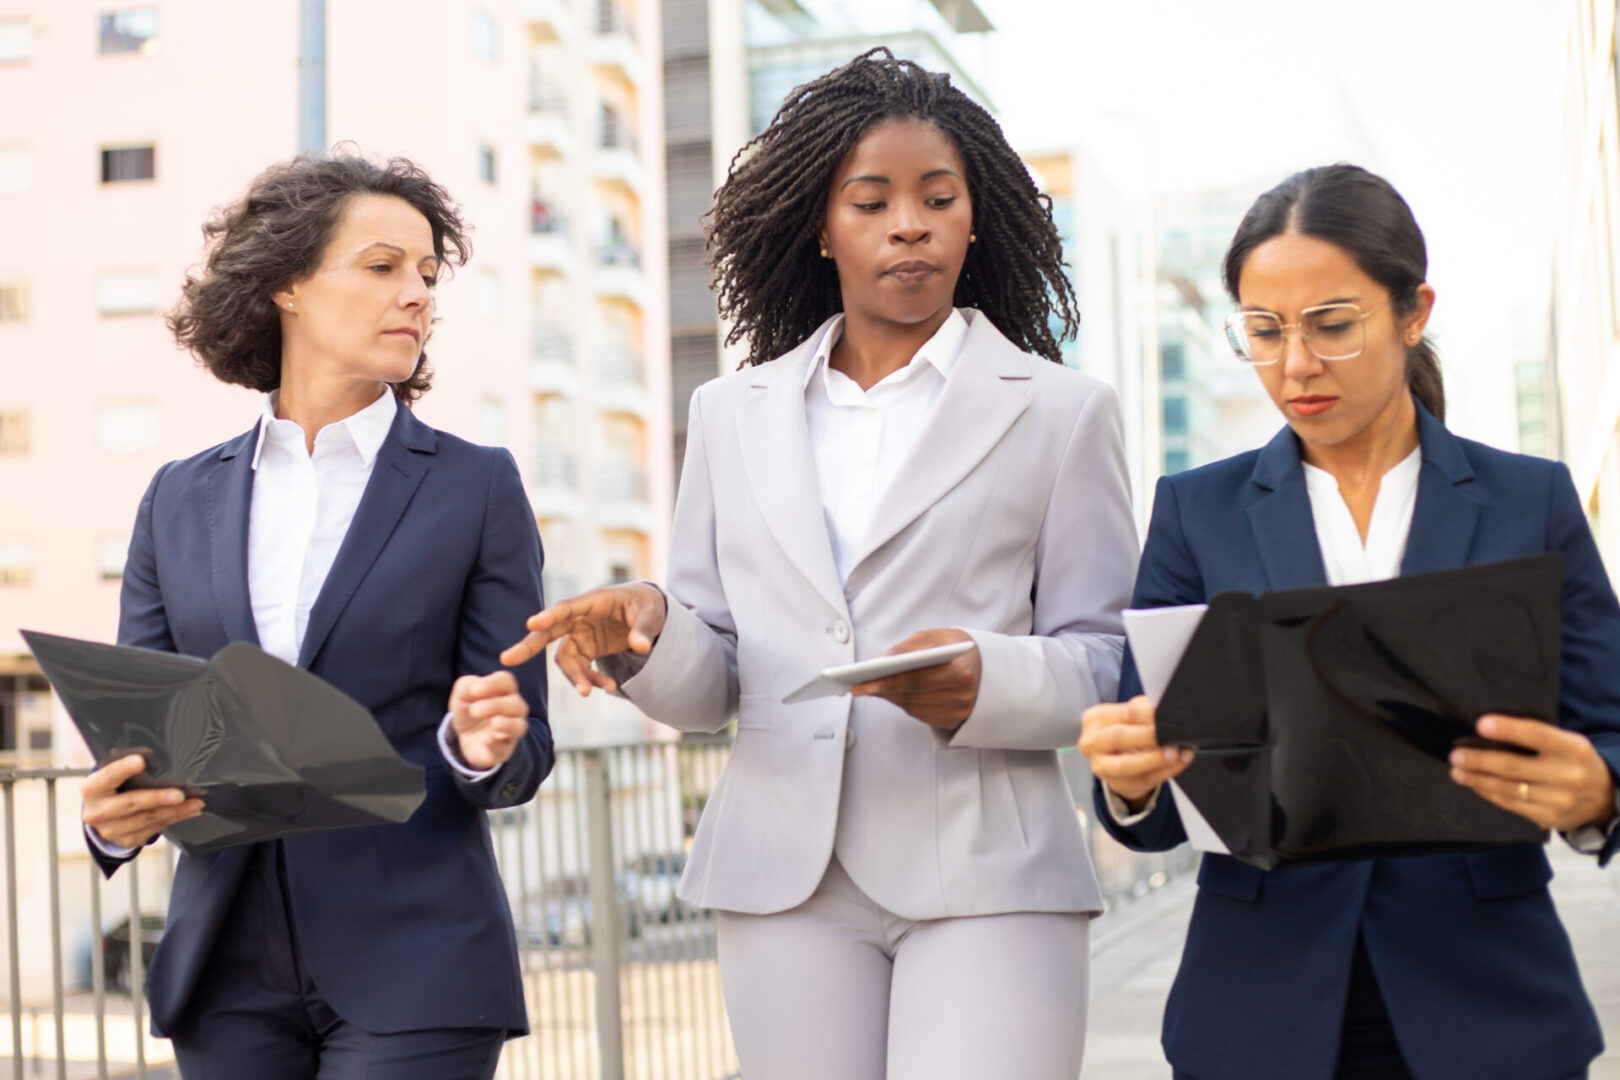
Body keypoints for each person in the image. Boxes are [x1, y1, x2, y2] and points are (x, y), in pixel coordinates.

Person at [501, 47, 1137, 1080]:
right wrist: (645, 636)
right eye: (871, 199)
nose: (909, 223)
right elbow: (714, 680)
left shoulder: (1062, 413)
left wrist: (991, 678)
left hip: (989, 868)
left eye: (939, 197)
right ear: (820, 222)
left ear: (976, 219)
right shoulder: (729, 415)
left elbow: (1108, 660)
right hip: (781, 876)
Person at [1079, 163, 1620, 1080]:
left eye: (1333, 326)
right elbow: (1154, 802)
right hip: (1258, 1009)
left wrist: (1600, 794)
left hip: (1489, 1004)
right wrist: (1129, 782)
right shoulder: (1194, 514)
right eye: (1264, 331)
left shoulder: (1529, 501)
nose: (1296, 365)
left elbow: (1608, 728)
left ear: (1413, 313)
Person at [77, 153, 553, 1079]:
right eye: (381, 267)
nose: (415, 293)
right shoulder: (176, 500)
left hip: (417, 962)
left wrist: (482, 746)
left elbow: (521, 749)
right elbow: (148, 738)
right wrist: (112, 818)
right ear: (286, 285)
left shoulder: (476, 487)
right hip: (225, 974)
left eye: (425, 273)